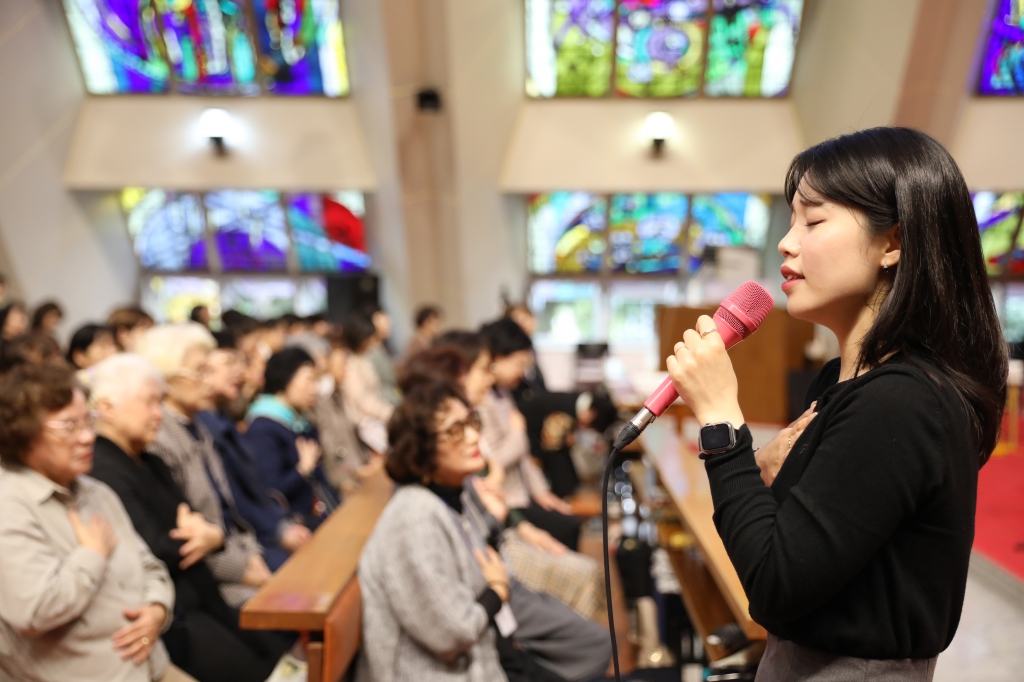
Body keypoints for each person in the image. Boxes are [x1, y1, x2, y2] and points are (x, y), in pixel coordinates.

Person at [665, 128, 1007, 680]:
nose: (786, 241)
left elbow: (775, 585)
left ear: (893, 242)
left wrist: (721, 419)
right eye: (790, 218)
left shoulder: (901, 401)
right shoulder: (843, 381)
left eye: (813, 220)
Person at [88, 354, 290, 682]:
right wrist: (204, 537)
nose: (158, 415)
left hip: (201, 590)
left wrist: (211, 536)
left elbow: (197, 523)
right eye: (149, 404)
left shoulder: (150, 460)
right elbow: (155, 545)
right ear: (107, 408)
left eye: (160, 403)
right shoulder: (103, 469)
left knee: (276, 658)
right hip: (173, 610)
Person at [0, 363, 191, 682]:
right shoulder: (10, 504)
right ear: (23, 433)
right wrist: (92, 556)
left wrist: (157, 610)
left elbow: (151, 566)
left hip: (151, 665)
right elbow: (34, 611)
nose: (88, 437)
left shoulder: (96, 492)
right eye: (69, 426)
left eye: (88, 421)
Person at [403, 338, 607, 622]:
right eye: (484, 369)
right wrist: (513, 443)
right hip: (496, 540)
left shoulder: (487, 405)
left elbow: (510, 468)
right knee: (581, 579)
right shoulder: (420, 501)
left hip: (502, 523)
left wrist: (537, 497)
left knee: (571, 540)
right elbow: (488, 480)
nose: (491, 376)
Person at [356, 382, 510, 682]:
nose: (474, 436)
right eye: (455, 430)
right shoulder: (414, 516)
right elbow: (452, 632)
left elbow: (487, 565)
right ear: (420, 449)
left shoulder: (454, 493)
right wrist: (497, 592)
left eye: (472, 422)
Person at [136, 324, 269, 608]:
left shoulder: (199, 426)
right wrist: (243, 567)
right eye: (200, 371)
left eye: (210, 370)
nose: (208, 382)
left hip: (236, 557)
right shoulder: (160, 440)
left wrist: (252, 555)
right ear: (167, 380)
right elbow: (189, 538)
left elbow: (230, 514)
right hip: (209, 578)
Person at [196, 337, 311, 570]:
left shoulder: (222, 418)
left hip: (269, 527)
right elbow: (239, 502)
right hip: (248, 544)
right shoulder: (211, 428)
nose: (239, 371)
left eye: (239, 363)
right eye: (228, 363)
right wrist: (280, 529)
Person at [478, 319, 581, 551]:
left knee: (569, 522)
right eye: (518, 363)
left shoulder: (503, 394)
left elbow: (523, 456)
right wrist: (518, 433)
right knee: (566, 528)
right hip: (507, 499)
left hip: (522, 493)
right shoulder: (483, 401)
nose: (522, 371)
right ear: (497, 358)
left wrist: (542, 492)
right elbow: (494, 462)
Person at [244, 347, 339, 527]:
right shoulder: (262, 428)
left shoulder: (300, 420)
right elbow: (271, 490)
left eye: (316, 381)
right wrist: (302, 469)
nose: (315, 389)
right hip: (297, 526)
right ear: (285, 379)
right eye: (309, 380)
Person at [341, 312, 396, 427]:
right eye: (368, 338)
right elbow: (361, 400)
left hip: (374, 415)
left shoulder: (361, 357)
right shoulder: (349, 363)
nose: (371, 341)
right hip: (362, 422)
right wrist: (388, 412)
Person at [366, 307, 402, 406]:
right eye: (384, 322)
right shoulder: (370, 351)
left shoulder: (382, 346)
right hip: (383, 400)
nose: (388, 325)